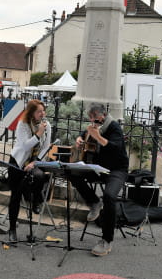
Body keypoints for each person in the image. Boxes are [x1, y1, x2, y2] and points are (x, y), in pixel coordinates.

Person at [69, 103, 128, 257]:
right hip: (97, 168)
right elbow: (83, 135)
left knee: (109, 196)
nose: (92, 121)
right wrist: (79, 139)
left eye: (95, 117)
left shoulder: (114, 127)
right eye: (91, 118)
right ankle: (94, 202)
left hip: (116, 169)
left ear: (103, 115)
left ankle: (106, 240)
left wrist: (98, 137)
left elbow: (115, 148)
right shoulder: (95, 126)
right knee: (71, 172)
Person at [7, 99, 51, 243]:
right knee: (15, 196)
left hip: (33, 162)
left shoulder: (46, 125)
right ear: (31, 112)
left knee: (40, 176)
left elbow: (46, 146)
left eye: (43, 110)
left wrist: (35, 161)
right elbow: (25, 146)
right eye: (39, 111)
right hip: (18, 162)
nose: (42, 113)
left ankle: (36, 201)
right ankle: (12, 229)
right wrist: (38, 134)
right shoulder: (23, 124)